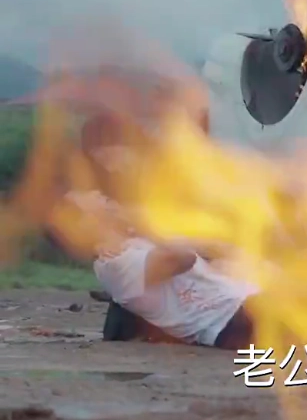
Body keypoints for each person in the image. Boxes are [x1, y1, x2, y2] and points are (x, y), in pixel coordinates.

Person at [78, 111, 258, 350]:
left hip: (213, 278)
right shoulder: (117, 203)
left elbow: (203, 233)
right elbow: (176, 254)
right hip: (215, 305)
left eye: (112, 155)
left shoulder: (165, 174)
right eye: (102, 159)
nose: (111, 166)